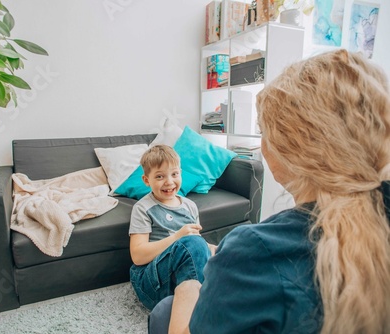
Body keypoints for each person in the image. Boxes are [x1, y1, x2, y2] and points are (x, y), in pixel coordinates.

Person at [151, 49, 390, 334]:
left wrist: (188, 287)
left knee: (166, 310)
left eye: (263, 131)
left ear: (289, 149)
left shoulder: (252, 250)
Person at [128, 144, 217, 333]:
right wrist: (177, 236)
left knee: (226, 246)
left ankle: (192, 303)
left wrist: (215, 249)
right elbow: (137, 256)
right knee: (192, 243)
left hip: (181, 278)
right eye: (160, 176)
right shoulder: (143, 208)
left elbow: (195, 249)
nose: (169, 182)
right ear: (146, 180)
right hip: (150, 282)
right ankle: (201, 310)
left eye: (174, 174)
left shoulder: (190, 206)